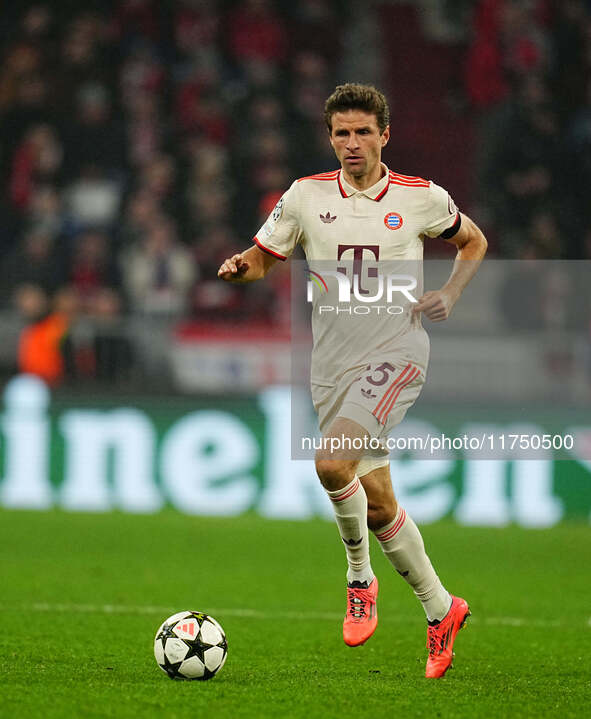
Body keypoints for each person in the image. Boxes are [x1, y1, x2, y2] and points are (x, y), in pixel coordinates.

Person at [218, 83, 487, 678]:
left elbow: (473, 241)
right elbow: (265, 256)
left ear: (384, 135)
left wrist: (450, 293)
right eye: (342, 133)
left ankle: (358, 579)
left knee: (331, 464)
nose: (352, 143)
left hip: (397, 353)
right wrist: (243, 267)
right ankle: (442, 609)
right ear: (330, 137)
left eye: (363, 132)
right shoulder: (306, 196)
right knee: (379, 504)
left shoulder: (419, 198)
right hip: (332, 367)